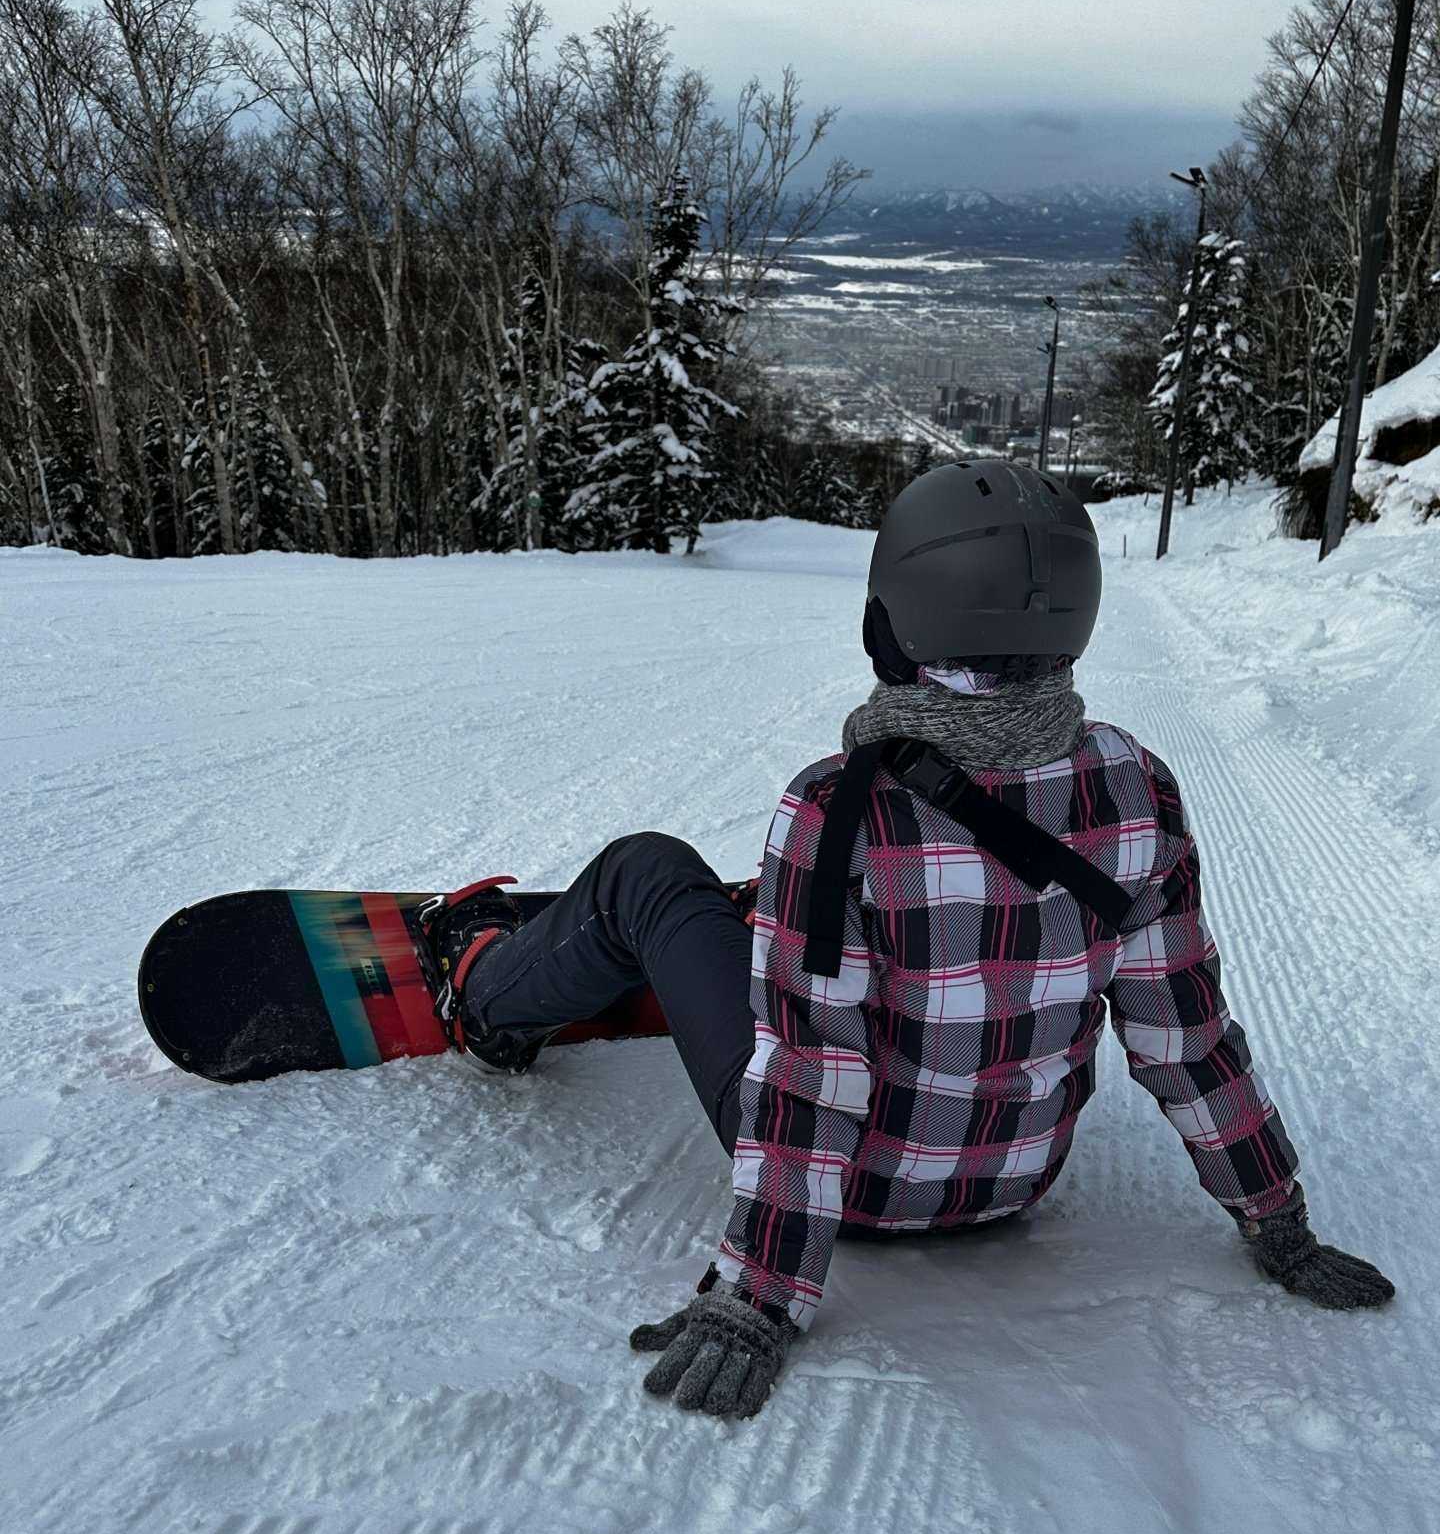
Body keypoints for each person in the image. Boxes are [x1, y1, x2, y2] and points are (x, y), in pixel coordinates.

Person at [419, 460, 1395, 1422]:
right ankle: (771, 918)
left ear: (891, 625)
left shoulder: (835, 807)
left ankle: (484, 999)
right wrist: (1278, 1218)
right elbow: (1183, 1039)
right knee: (836, 909)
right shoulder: (1136, 787)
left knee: (647, 871)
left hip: (861, 1195)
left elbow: (810, 1076)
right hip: (1016, 1183)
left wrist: (760, 1299)